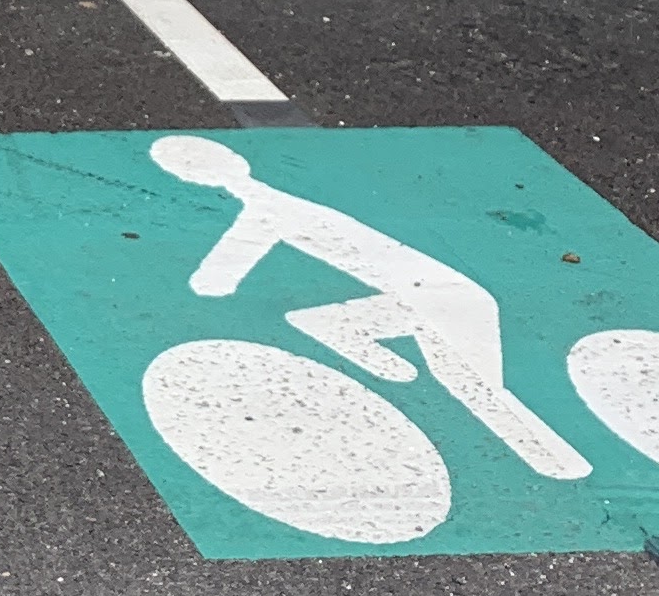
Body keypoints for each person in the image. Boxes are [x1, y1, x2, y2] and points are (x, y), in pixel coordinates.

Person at [147, 134, 589, 482]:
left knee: (480, 391)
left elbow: (222, 271)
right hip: (425, 300)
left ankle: (559, 463)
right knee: (466, 385)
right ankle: (393, 365)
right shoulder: (279, 203)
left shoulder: (269, 208)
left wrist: (211, 280)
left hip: (444, 299)